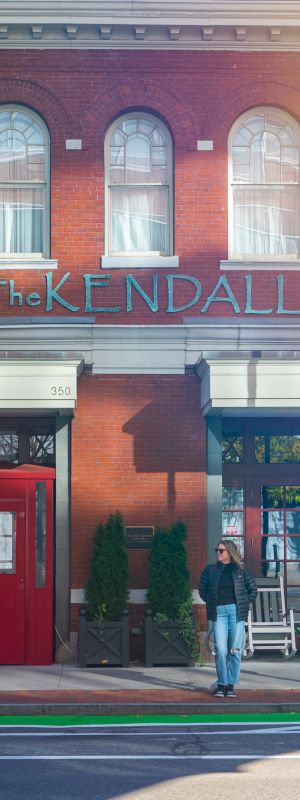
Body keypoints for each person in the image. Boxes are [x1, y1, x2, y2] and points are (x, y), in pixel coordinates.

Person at [199, 540, 257, 697]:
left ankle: (231, 685)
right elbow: (202, 590)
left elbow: (253, 590)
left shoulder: (241, 570)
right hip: (219, 613)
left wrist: (243, 604)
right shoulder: (210, 570)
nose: (218, 553)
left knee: (235, 649)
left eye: (221, 550)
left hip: (236, 613)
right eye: (217, 550)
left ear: (230, 553)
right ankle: (221, 684)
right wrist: (212, 602)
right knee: (221, 650)